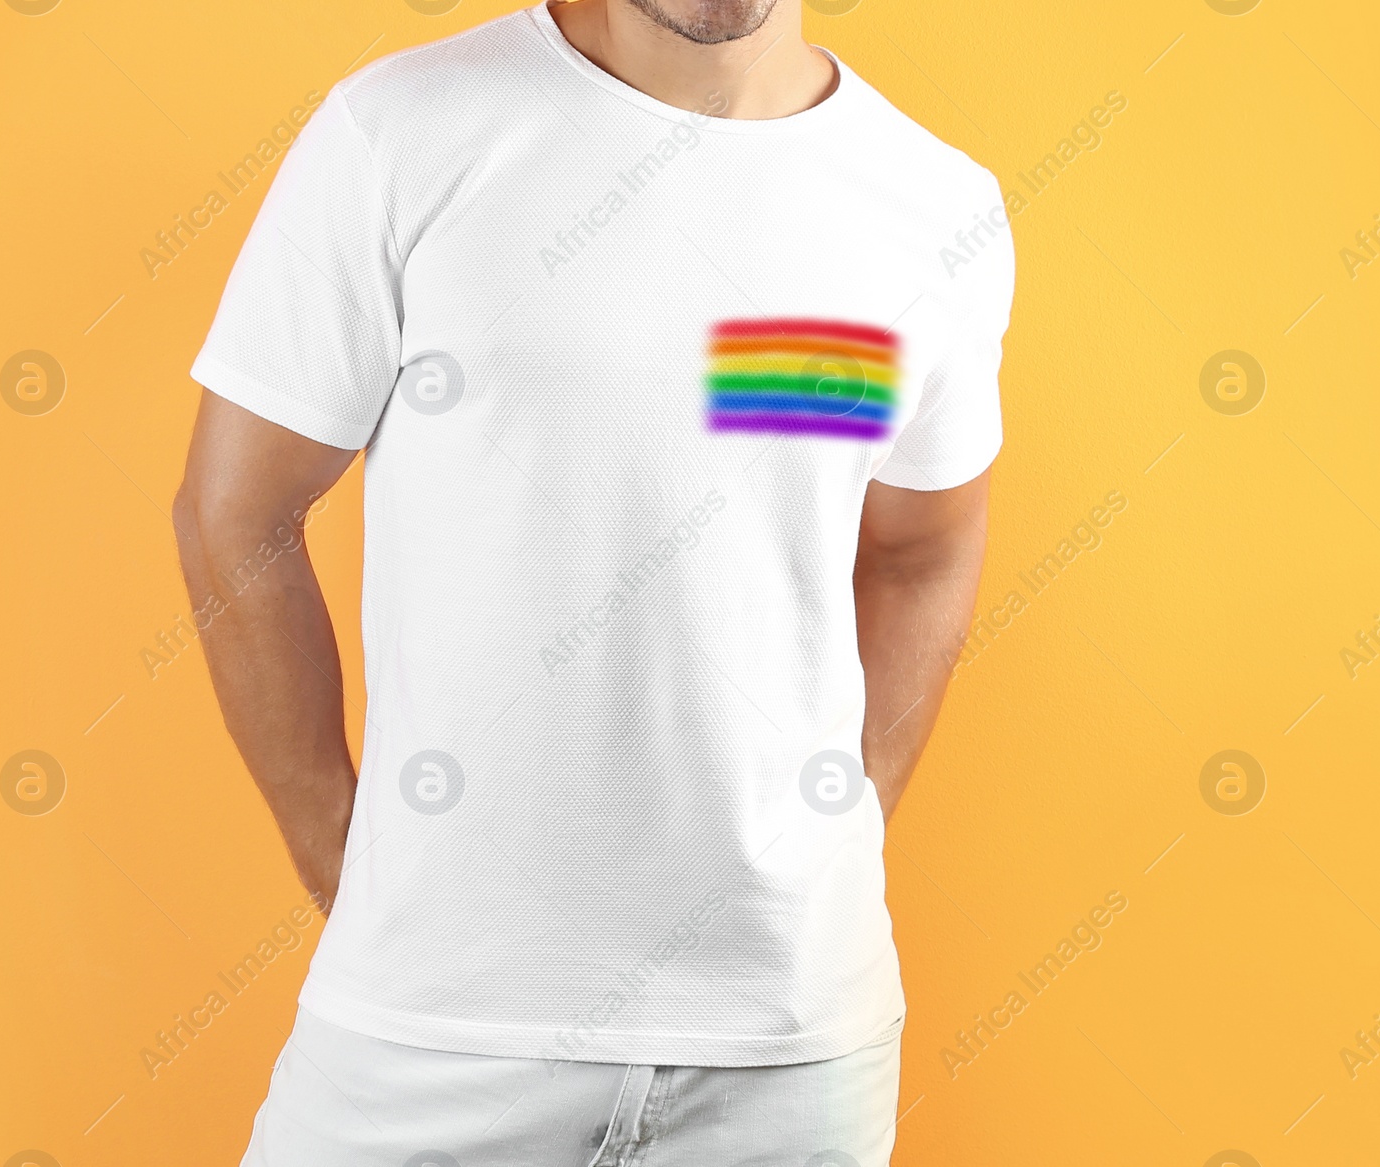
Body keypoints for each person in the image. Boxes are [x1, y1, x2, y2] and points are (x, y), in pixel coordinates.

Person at [174, 0, 1014, 1160]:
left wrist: (839, 824)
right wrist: (345, 858)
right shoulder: (401, 133)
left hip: (787, 1059)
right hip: (434, 1030)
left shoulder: (933, 204)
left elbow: (923, 551)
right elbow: (238, 510)